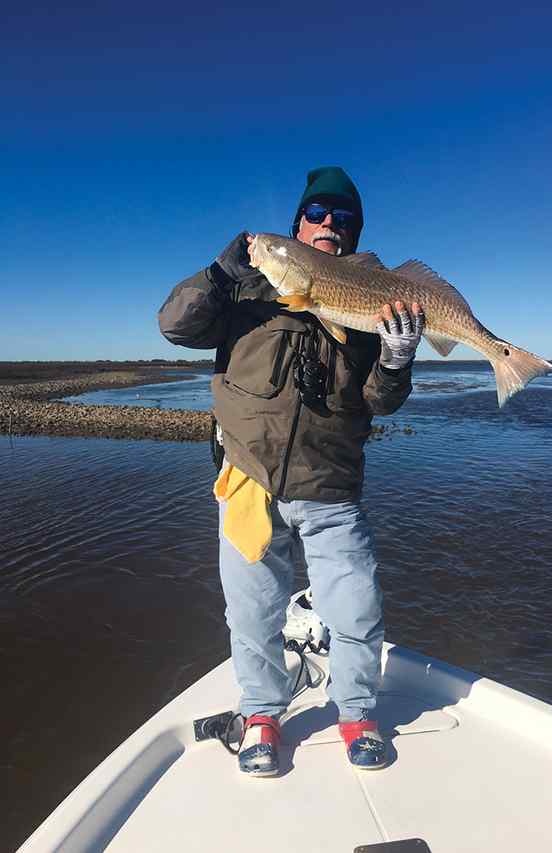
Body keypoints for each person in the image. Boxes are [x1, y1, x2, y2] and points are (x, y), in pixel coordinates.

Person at [158, 166, 423, 776]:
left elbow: (381, 401)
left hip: (331, 483)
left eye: (343, 219)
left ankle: (356, 712)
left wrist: (396, 359)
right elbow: (174, 325)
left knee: (356, 607)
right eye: (318, 214)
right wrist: (219, 275)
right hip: (249, 479)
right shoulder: (245, 292)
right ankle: (261, 715)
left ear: (354, 234)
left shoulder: (371, 298)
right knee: (251, 613)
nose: (329, 224)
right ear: (297, 226)